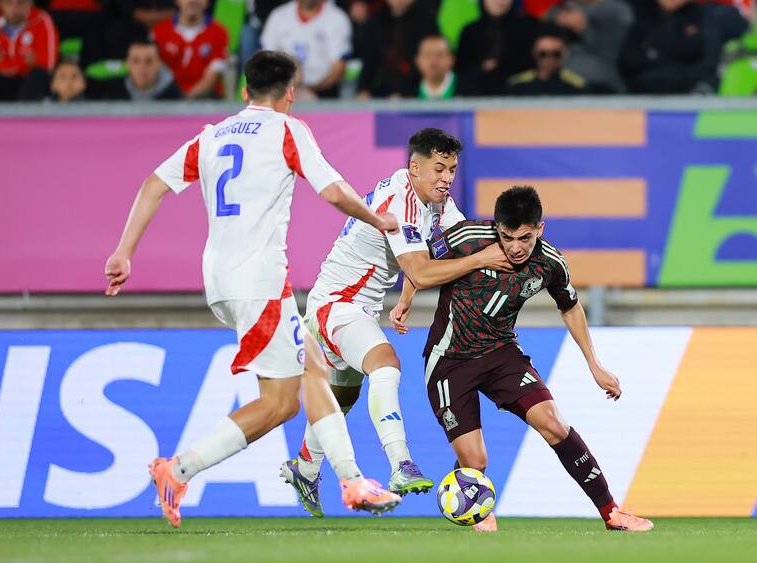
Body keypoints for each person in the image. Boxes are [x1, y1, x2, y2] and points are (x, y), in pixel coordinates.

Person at [104, 50, 403, 528]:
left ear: (243, 90)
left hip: (220, 280)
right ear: (290, 92)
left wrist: (123, 253)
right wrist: (377, 217)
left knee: (303, 380)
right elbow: (332, 190)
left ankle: (183, 471)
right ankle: (349, 481)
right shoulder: (287, 129)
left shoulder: (211, 136)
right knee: (289, 392)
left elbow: (152, 184)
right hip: (257, 278)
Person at [280, 128, 510, 517]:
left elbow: (457, 242)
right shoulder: (401, 200)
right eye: (439, 169)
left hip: (361, 308)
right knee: (385, 364)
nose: (447, 178)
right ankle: (400, 464)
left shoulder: (436, 202)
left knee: (344, 396)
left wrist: (404, 299)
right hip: (336, 303)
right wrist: (480, 261)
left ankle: (304, 467)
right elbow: (422, 267)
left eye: (452, 169)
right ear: (414, 167)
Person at [413, 185, 654, 533]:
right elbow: (418, 265)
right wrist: (405, 300)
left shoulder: (550, 262)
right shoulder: (467, 237)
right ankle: (472, 495)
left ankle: (611, 512)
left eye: (524, 238)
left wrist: (594, 364)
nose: (514, 247)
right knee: (477, 460)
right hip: (449, 360)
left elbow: (570, 308)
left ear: (539, 229)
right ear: (497, 227)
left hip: (501, 354)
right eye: (507, 237)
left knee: (554, 423)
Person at [260, 0, 352, 99]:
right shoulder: (278, 15)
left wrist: (309, 91)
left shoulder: (337, 18)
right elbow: (265, 59)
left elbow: (338, 69)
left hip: (323, 94)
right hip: (281, 93)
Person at [152, 0, 228, 100]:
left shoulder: (219, 32)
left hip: (206, 100)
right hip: (167, 99)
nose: (192, 1)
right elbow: (154, 71)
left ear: (207, 2)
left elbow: (212, 76)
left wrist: (185, 102)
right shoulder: (158, 32)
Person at [0, 0, 58, 101]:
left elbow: (48, 64)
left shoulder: (42, 20)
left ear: (30, 3)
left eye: (20, 3)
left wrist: (2, 62)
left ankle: (27, 115)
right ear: (0, 5)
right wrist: (25, 62)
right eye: (9, 3)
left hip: (27, 81)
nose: (14, 9)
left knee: (38, 75)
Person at [506, 27, 588, 95]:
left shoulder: (577, 85)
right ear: (534, 53)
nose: (549, 59)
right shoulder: (517, 84)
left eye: (556, 54)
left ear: (565, 54)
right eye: (543, 54)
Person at [94, 39, 183, 100]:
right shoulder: (113, 93)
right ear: (127, 64)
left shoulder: (175, 95)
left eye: (149, 61)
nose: (142, 67)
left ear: (159, 64)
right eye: (135, 61)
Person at [406, 34, 456, 99]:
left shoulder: (469, 90)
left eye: (440, 55)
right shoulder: (405, 94)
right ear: (417, 59)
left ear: (451, 59)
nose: (433, 61)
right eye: (427, 55)